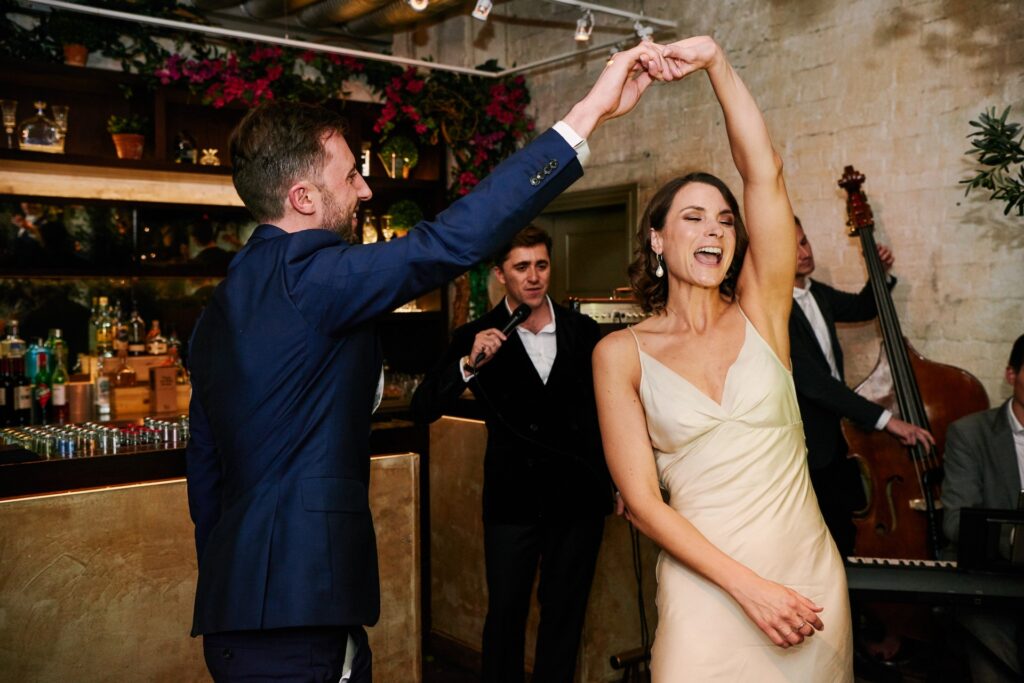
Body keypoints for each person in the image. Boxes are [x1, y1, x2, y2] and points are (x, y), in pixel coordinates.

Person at [185, 41, 677, 683]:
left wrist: (239, 582)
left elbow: (206, 470)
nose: (365, 189)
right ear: (303, 197)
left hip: (242, 613)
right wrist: (588, 114)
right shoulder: (309, 275)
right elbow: (448, 242)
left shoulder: (220, 307)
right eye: (350, 176)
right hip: (297, 616)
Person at [593, 36, 852, 680]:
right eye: (693, 217)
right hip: (705, 588)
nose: (714, 229)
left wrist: (717, 62)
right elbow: (643, 504)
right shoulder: (620, 354)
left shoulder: (764, 312)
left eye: (726, 220)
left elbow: (765, 173)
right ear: (658, 238)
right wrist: (749, 589)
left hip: (806, 580)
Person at [411, 226, 612, 682]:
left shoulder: (583, 331)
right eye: (522, 267)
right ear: (501, 274)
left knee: (565, 615)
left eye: (541, 265)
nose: (534, 276)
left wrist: (618, 482)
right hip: (513, 500)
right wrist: (469, 364)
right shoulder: (474, 335)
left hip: (577, 498)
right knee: (505, 615)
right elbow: (424, 407)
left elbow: (607, 414)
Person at [789, 217, 934, 556]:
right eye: (792, 247)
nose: (804, 252)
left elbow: (862, 307)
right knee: (824, 542)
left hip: (839, 438)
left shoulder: (817, 293)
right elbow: (816, 386)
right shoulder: (775, 311)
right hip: (809, 448)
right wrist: (887, 420)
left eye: (804, 241)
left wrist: (879, 274)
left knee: (850, 530)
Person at [941, 334, 1024, 683]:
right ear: (1011, 374)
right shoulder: (970, 433)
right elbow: (956, 522)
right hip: (990, 581)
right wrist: (1015, 542)